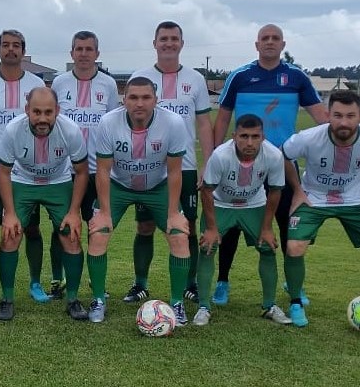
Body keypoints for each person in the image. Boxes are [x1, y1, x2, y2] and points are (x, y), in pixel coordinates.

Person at [211, 24, 328, 306]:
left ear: (283, 44)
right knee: (234, 227)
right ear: (256, 44)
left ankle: (293, 283)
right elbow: (223, 118)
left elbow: (322, 119)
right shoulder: (239, 77)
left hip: (283, 164)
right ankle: (223, 282)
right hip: (242, 164)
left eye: (275, 39)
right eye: (265, 38)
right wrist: (216, 156)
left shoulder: (297, 77)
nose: (270, 42)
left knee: (290, 225)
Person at [281, 90, 360, 329]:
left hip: (355, 198)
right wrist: (298, 190)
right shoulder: (307, 138)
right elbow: (286, 156)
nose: (344, 122)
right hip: (314, 198)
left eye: (350, 116)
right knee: (294, 245)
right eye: (338, 115)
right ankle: (296, 302)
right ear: (328, 114)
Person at [86, 76, 191, 324]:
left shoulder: (173, 123)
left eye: (146, 97)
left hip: (158, 185)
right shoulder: (108, 122)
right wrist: (103, 211)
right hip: (119, 184)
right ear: (124, 101)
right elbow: (102, 170)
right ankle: (99, 299)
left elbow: (176, 171)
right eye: (133, 97)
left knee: (178, 234)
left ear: (156, 100)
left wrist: (174, 212)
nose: (139, 103)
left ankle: (177, 303)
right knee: (99, 231)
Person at [126, 21, 213, 304]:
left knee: (185, 224)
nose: (168, 43)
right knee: (145, 226)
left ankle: (190, 284)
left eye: (174, 39)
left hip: (184, 166)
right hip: (148, 167)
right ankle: (140, 284)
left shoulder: (195, 79)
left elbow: (203, 123)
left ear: (181, 44)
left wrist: (207, 163)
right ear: (155, 43)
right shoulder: (140, 77)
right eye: (163, 39)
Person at [0, 87, 89, 321]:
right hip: (23, 181)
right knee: (10, 234)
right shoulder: (12, 131)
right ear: (27, 109)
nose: (42, 118)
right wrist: (9, 213)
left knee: (71, 235)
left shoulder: (70, 130)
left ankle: (73, 300)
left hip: (58, 182)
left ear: (57, 110)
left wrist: (74, 211)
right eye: (36, 112)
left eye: (48, 112)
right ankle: (7, 299)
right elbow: (4, 173)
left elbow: (81, 171)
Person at [0, 29, 50, 303]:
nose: (11, 50)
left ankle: (36, 283)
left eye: (16, 45)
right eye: (6, 45)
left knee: (31, 229)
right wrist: (0, 147)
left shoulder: (37, 85)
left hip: (27, 171)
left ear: (23, 50)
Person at [193, 114, 291, 326]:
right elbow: (207, 191)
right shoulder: (220, 156)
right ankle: (203, 307)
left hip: (253, 205)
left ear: (263, 137)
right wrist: (211, 228)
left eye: (255, 137)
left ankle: (269, 305)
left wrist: (266, 228)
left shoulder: (273, 156)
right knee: (207, 247)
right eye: (244, 136)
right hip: (221, 204)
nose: (249, 142)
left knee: (267, 248)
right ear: (234, 136)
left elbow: (275, 192)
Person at [50, 30, 119, 300]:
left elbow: (113, 122)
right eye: (79, 49)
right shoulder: (59, 82)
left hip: (97, 170)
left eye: (89, 49)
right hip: (65, 170)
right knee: (62, 227)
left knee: (95, 227)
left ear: (97, 54)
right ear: (71, 53)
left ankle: (94, 281)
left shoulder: (109, 85)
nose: (84, 54)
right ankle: (58, 280)